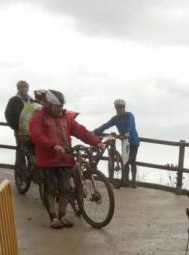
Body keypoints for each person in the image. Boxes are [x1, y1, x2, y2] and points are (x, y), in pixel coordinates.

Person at [29, 90, 105, 229]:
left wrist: (96, 142)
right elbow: (36, 135)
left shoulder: (67, 119)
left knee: (66, 189)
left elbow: (80, 131)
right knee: (50, 189)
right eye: (56, 106)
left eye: (61, 106)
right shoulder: (39, 118)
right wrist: (53, 145)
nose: (59, 109)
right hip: (48, 160)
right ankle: (53, 218)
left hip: (65, 158)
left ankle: (62, 216)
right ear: (49, 104)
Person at [93, 99, 141, 188]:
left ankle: (134, 181)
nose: (120, 109)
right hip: (124, 141)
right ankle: (125, 181)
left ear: (124, 107)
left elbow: (130, 125)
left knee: (132, 160)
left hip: (133, 141)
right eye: (118, 107)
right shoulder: (115, 118)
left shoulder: (129, 115)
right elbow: (106, 125)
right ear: (115, 108)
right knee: (125, 161)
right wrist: (96, 131)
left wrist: (127, 132)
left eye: (121, 107)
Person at [15, 89, 47, 182]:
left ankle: (32, 171)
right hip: (29, 136)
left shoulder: (30, 105)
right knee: (37, 151)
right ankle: (36, 173)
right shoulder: (38, 108)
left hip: (23, 134)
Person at [5, 80, 33, 174]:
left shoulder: (32, 100)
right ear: (18, 88)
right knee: (21, 150)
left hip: (32, 130)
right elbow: (8, 114)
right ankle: (21, 173)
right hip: (19, 130)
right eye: (21, 87)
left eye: (25, 87)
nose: (24, 89)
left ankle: (31, 171)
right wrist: (15, 126)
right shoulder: (13, 100)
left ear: (28, 88)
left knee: (32, 150)